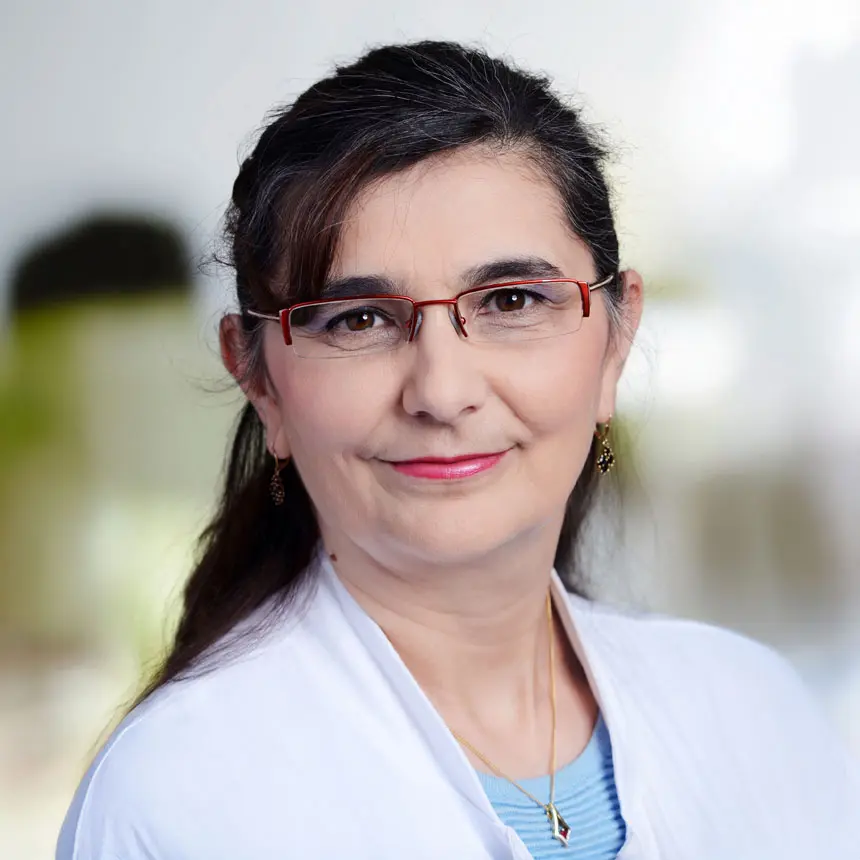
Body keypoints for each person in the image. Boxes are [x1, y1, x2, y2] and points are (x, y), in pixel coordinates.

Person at [56, 40, 859, 859]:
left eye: (511, 300)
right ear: (258, 379)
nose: (441, 392)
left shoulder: (757, 716)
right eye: (359, 319)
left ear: (616, 343)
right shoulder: (174, 796)